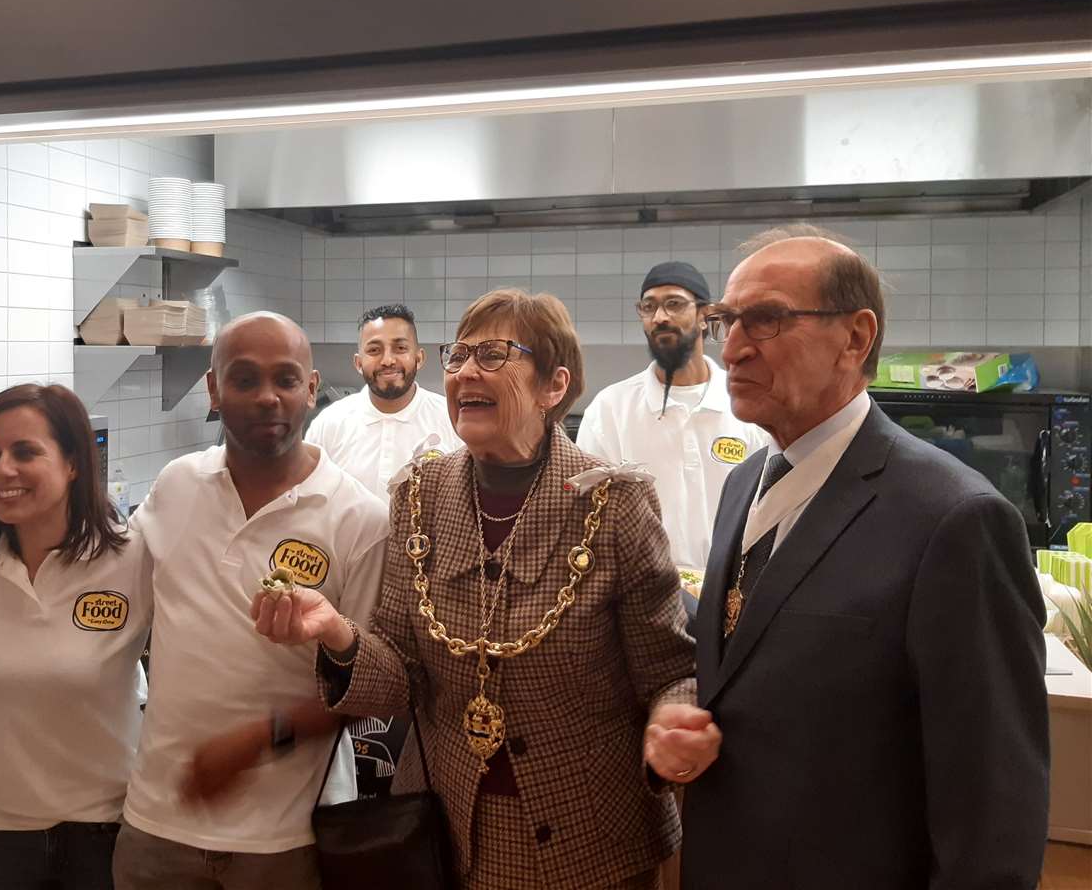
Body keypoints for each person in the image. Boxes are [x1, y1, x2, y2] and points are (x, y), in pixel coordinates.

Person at [253, 288, 719, 890]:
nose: (467, 370)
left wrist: (675, 715)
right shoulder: (420, 497)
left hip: (593, 841)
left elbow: (668, 670)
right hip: (453, 835)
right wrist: (337, 633)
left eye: (495, 353)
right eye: (459, 354)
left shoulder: (613, 504)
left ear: (554, 386)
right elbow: (399, 676)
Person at [681, 226, 1049, 890]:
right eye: (724, 322)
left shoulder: (955, 519)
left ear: (855, 337)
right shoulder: (744, 484)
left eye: (764, 320)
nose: (730, 349)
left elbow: (994, 809)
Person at [112, 312, 390, 890]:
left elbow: (374, 689)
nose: (267, 397)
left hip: (285, 839)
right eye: (244, 380)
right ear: (214, 389)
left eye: (285, 380)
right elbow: (101, 570)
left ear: (311, 389)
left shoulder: (358, 518)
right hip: (157, 824)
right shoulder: (176, 485)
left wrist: (258, 741)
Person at [0, 383, 151, 890]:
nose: (3, 471)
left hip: (110, 828)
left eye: (25, 451)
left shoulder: (135, 558)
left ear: (74, 462)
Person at [577, 261, 765, 570]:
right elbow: (589, 515)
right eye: (648, 307)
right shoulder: (611, 409)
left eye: (674, 304)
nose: (660, 317)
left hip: (730, 592)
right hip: (641, 595)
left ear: (705, 316)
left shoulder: (746, 404)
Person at [305, 303, 461, 497]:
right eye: (374, 350)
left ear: (419, 358)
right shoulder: (328, 425)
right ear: (358, 363)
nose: (388, 360)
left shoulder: (451, 419)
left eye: (400, 348)